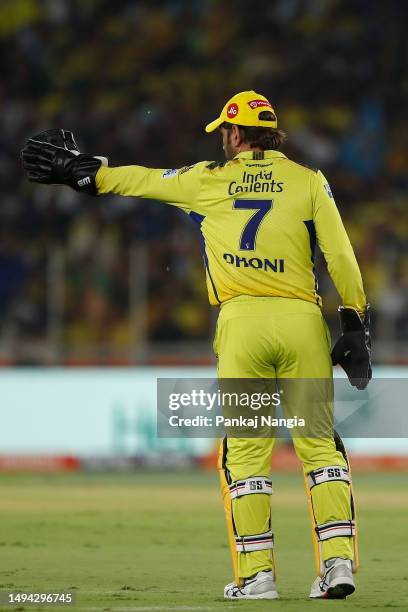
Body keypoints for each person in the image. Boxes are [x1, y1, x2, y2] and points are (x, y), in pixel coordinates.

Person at [21, 90, 371, 600]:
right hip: (301, 322)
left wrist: (84, 172)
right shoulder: (308, 181)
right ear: (272, 135)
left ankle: (258, 577)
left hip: (242, 325)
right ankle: (338, 565)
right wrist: (355, 323)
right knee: (320, 448)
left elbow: (138, 179)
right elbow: (341, 255)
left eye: (223, 133)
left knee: (246, 454)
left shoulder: (208, 180)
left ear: (233, 134)